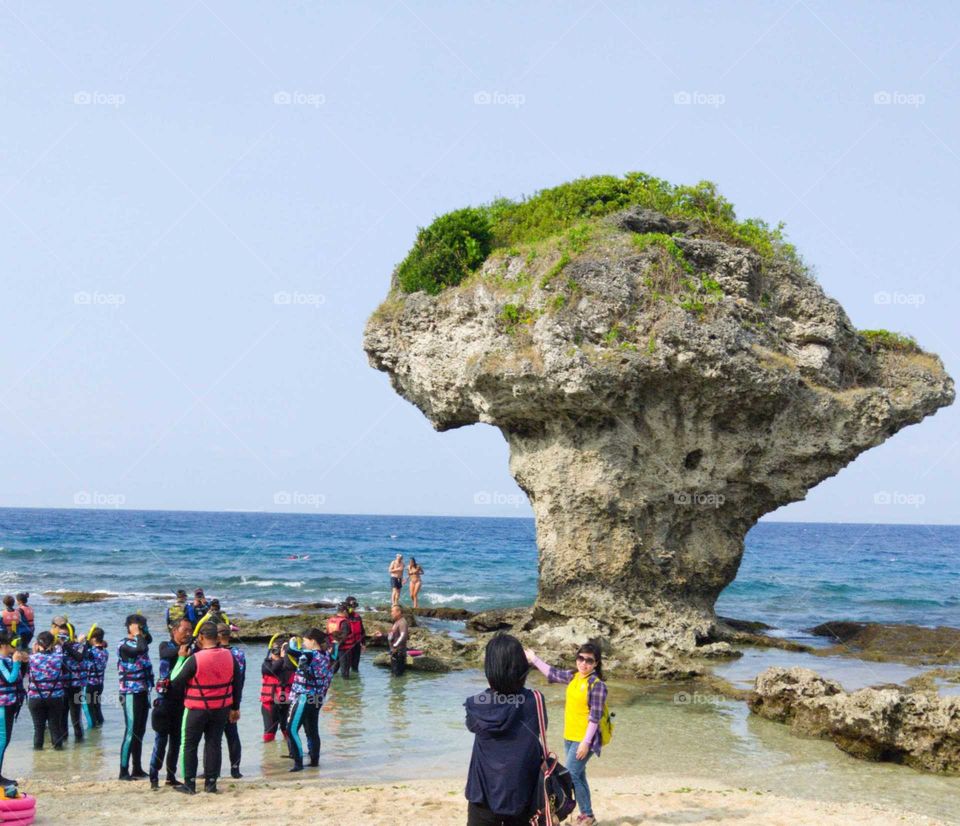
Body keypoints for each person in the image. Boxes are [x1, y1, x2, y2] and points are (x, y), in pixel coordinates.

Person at [465, 634, 544, 826]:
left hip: (482, 795)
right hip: (524, 794)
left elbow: (474, 725)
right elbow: (541, 728)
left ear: (490, 668)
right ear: (521, 666)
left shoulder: (476, 705)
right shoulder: (535, 700)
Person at [525, 642, 608, 826]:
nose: (583, 663)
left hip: (586, 739)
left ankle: (586, 815)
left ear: (596, 663)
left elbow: (595, 718)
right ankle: (587, 815)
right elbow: (552, 673)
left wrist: (585, 743)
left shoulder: (597, 685)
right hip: (570, 736)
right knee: (579, 774)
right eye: (581, 658)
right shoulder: (574, 677)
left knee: (571, 774)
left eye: (589, 661)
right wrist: (534, 659)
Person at [170, 621, 242, 794]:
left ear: (201, 637)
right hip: (221, 708)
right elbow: (237, 683)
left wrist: (181, 658)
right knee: (214, 743)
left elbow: (175, 681)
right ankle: (211, 784)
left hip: (197, 708)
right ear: (217, 637)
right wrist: (235, 708)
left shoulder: (195, 658)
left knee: (189, 745)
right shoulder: (229, 656)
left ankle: (190, 784)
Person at [148, 618, 192, 789]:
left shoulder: (191, 651)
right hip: (164, 703)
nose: (188, 634)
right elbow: (166, 654)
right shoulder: (165, 645)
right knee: (160, 741)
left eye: (190, 631)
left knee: (176, 742)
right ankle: (153, 778)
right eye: (185, 630)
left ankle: (171, 777)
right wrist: (181, 653)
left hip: (182, 703)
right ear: (175, 631)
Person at [285, 629, 333, 772]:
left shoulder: (311, 654)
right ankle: (314, 761)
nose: (303, 643)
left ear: (313, 641)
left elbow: (291, 651)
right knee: (312, 731)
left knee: (291, 729)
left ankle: (298, 763)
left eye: (305, 640)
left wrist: (292, 641)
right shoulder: (327, 656)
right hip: (317, 698)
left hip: (304, 697)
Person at [118, 613, 154, 780]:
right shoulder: (124, 645)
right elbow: (141, 649)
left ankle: (137, 768)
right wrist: (137, 632)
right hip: (130, 693)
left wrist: (143, 630)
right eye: (140, 626)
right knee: (131, 732)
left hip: (143, 691)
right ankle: (123, 771)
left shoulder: (141, 640)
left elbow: (149, 640)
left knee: (140, 731)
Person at [26, 631, 67, 750]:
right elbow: (59, 650)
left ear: (37, 644)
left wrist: (34, 651)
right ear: (52, 644)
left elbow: (27, 672)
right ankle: (59, 756)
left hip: (35, 697)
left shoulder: (31, 658)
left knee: (38, 728)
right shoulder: (59, 657)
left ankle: (38, 757)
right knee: (55, 727)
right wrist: (57, 643)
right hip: (55, 696)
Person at [0, 631, 29, 787]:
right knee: (2, 741)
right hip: (3, 706)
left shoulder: (8, 659)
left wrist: (22, 662)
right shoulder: (1, 661)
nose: (16, 647)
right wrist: (17, 662)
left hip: (11, 705)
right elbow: (10, 679)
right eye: (13, 643)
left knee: (5, 740)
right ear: (4, 645)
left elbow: (19, 677)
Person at [217, 623, 246, 778]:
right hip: (233, 698)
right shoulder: (239, 653)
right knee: (232, 734)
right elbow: (241, 680)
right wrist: (237, 703)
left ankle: (214, 769)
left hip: (216, 700)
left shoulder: (213, 653)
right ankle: (235, 770)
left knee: (214, 737)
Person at [54, 620, 89, 741]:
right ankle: (64, 740)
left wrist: (68, 645)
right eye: (60, 635)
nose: (61, 638)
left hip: (76, 687)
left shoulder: (80, 647)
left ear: (71, 635)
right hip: (61, 687)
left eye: (64, 635)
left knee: (76, 716)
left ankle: (79, 742)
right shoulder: (56, 648)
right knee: (62, 715)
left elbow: (79, 657)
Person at [260, 639, 295, 748]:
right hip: (270, 704)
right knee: (270, 730)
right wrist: (282, 657)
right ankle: (270, 756)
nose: (276, 654)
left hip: (285, 702)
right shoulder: (267, 664)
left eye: (279, 651)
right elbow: (272, 670)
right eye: (275, 651)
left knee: (287, 730)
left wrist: (286, 656)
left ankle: (290, 751)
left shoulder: (291, 664)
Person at [84, 627, 108, 728]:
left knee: (89, 711)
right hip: (100, 684)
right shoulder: (105, 652)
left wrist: (83, 643)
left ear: (93, 639)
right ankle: (100, 728)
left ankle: (92, 735)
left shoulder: (90, 652)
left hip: (89, 685)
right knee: (97, 708)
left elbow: (81, 654)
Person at [345, 597, 366, 674]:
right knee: (345, 667)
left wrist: (363, 644)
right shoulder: (343, 617)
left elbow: (362, 631)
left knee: (355, 666)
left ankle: (355, 684)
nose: (353, 608)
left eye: (355, 606)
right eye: (352, 606)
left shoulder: (357, 617)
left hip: (356, 644)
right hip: (346, 646)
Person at [386, 605, 408, 677]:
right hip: (394, 653)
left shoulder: (402, 622)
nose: (391, 613)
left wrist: (395, 646)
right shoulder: (396, 622)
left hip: (399, 653)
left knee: (397, 676)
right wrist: (382, 635)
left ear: (398, 612)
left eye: (393, 611)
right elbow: (391, 635)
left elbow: (403, 636)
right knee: (394, 676)